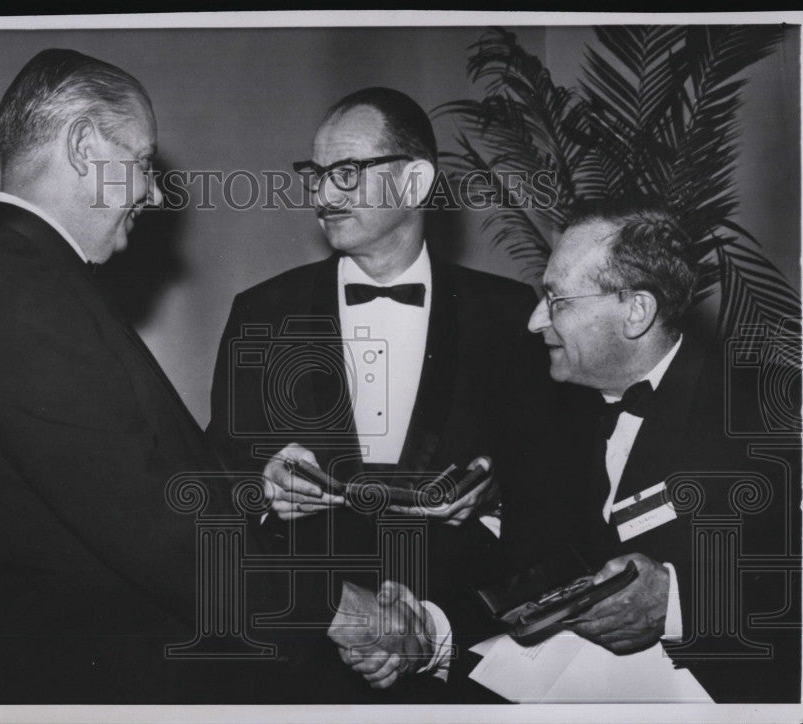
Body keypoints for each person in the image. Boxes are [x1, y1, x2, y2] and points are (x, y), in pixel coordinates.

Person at [337, 198, 802, 702]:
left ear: (636, 311)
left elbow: (790, 587)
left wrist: (678, 605)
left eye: (557, 300)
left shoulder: (768, 418)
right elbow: (528, 577)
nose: (536, 320)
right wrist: (428, 633)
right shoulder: (547, 413)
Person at [207, 87, 572, 700]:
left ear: (415, 181)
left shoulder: (512, 318)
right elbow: (217, 476)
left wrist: (494, 491)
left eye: (346, 173)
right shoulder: (261, 312)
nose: (322, 195)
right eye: (315, 174)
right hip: (304, 655)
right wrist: (264, 489)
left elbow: (563, 494)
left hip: (461, 651)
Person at [0, 48, 275, 704]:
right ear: (84, 146)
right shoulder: (21, 287)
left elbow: (123, 470)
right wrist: (339, 614)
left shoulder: (27, 273)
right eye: (141, 162)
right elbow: (147, 528)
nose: (154, 190)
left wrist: (254, 485)